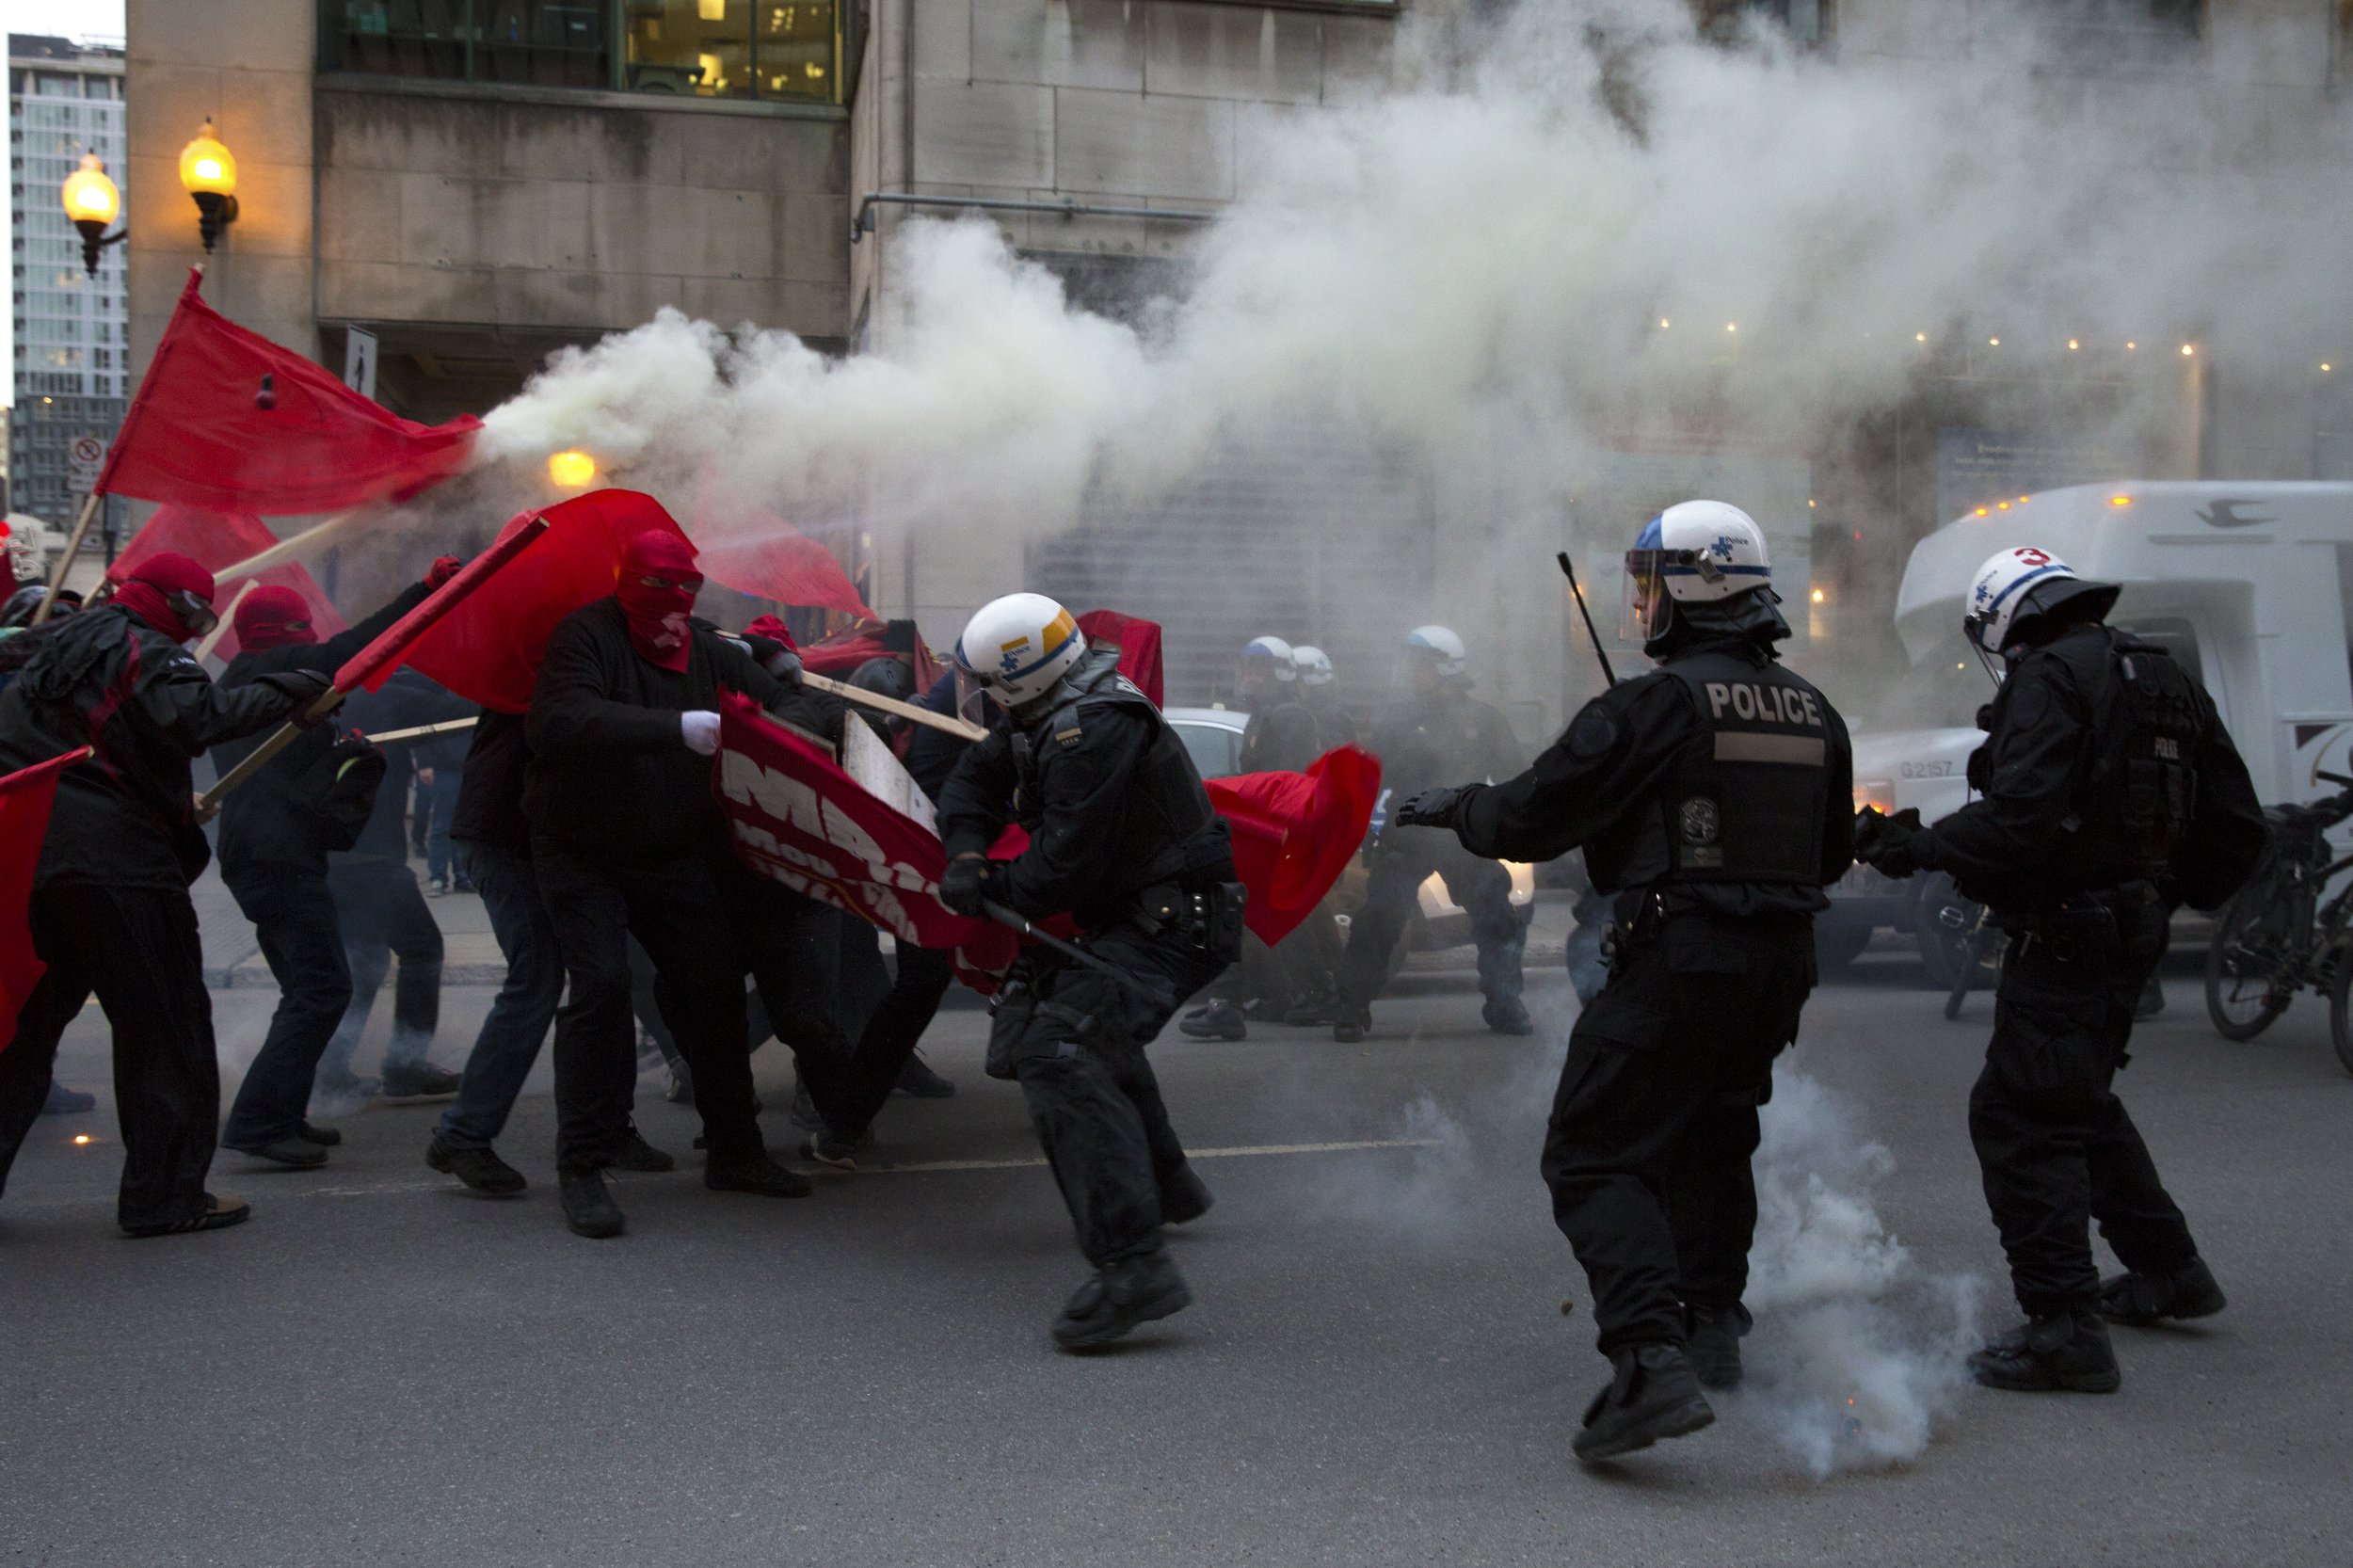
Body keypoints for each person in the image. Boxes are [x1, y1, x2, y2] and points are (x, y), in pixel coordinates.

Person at [1395, 502, 1853, 1459]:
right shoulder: (1815, 709)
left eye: (1648, 583)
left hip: (1678, 960)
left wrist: (1456, 807)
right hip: (1778, 968)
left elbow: (1530, 814)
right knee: (1712, 1136)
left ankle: (1649, 1362)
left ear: (1690, 589)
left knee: (1594, 1151)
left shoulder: (1651, 705)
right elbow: (1831, 851)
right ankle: (1713, 1325)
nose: (1637, 602)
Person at [1853, 546, 2264, 1394]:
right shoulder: (2162, 675)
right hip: (2132, 928)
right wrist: (2157, 896)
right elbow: (2236, 825)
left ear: (2007, 617)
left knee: (2021, 1117)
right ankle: (2172, 1271)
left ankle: (2065, 1327)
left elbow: (2018, 826)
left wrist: (1914, 847)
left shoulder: (2048, 677)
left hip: (2071, 930)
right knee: (2079, 1100)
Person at [936, 593, 1241, 1349]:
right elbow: (968, 785)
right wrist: (969, 855)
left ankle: (1134, 1267)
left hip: (1178, 924)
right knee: (1083, 1024)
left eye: (984, 679)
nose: (979, 696)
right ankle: (1168, 1185)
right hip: (1146, 917)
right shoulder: (1046, 714)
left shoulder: (1091, 730)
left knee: (1061, 1049)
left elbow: (1059, 872)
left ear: (1018, 674)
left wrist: (987, 888)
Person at [0, 554, 327, 1236]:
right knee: (166, 1033)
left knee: (23, 1042)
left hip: (36, 857)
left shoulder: (52, 644)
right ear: (176, 604)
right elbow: (198, 716)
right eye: (197, 615)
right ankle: (164, 1196)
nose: (195, 631)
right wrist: (292, 686)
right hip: (119, 866)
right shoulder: (141, 647)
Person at [525, 529, 813, 1239]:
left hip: (672, 848)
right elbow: (562, 718)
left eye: (685, 592)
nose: (672, 607)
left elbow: (792, 706)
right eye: (659, 590)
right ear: (626, 585)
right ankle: (582, 1163)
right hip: (580, 846)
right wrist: (676, 726)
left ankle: (736, 1150)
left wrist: (773, 724)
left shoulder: (710, 649)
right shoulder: (585, 637)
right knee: (598, 987)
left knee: (712, 987)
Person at [213, 574, 445, 1166]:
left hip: (259, 851)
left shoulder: (237, 680)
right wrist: (423, 590)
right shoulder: (278, 668)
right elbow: (363, 647)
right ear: (282, 632)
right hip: (278, 854)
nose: (313, 639)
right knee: (322, 988)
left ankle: (284, 1111)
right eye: (301, 628)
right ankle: (261, 1121)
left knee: (308, 986)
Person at [1333, 625, 1530, 1042]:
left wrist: (1514, 823)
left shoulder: (1483, 719)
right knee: (1378, 920)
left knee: (1496, 917)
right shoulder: (1396, 719)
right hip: (1410, 834)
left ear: (1447, 666)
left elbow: (1515, 779)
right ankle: (1350, 1009)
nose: (1411, 672)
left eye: (1420, 664)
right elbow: (1367, 773)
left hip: (1462, 835)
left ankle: (1506, 1003)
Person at [424, 707, 561, 1194]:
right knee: (537, 976)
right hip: (505, 837)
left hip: (518, 835)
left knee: (599, 967)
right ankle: (464, 1133)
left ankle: (609, 1124)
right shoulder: (540, 669)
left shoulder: (555, 661)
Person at [314, 671, 464, 1108]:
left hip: (332, 854)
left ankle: (330, 1069)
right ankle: (405, 1064)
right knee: (422, 949)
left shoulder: (328, 697)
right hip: (371, 857)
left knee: (365, 963)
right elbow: (455, 707)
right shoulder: (382, 694)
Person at [1184, 635, 1324, 1041]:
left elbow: (1286, 780)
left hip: (1278, 832)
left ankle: (1225, 1005)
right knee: (1272, 917)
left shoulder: (1290, 716)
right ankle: (1314, 992)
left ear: (1281, 673)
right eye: (1246, 667)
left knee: (1234, 911)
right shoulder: (1261, 717)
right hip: (1265, 830)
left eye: (1259, 670)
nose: (1249, 676)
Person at [0, 583, 99, 1116]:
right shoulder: (14, 665)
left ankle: (32, 1071)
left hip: (50, 836)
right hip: (17, 829)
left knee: (46, 970)